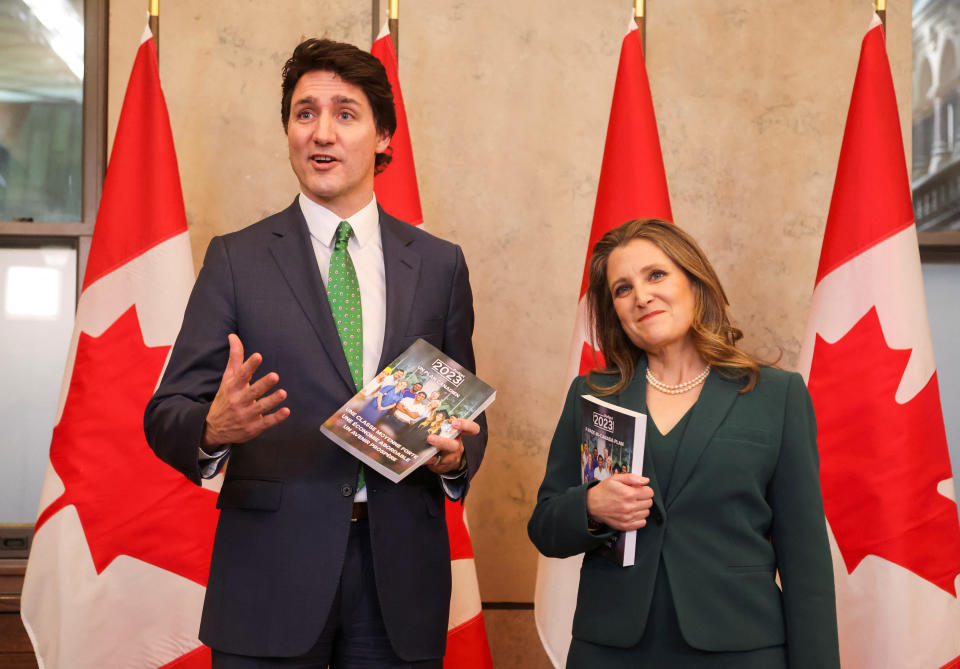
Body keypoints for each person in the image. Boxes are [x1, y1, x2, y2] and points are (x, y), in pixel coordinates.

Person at [144, 37, 486, 668]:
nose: (321, 131)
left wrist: (456, 456)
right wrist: (212, 428)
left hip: (399, 577)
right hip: (269, 574)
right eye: (305, 113)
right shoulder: (236, 259)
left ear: (384, 137)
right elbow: (167, 411)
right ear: (288, 131)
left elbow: (464, 408)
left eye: (345, 113)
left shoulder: (439, 266)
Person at [527, 219, 839, 668]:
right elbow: (545, 526)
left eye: (656, 275)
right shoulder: (591, 394)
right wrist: (591, 508)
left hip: (741, 649)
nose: (641, 296)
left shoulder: (777, 395)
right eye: (622, 288)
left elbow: (805, 559)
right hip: (611, 650)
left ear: (695, 282)